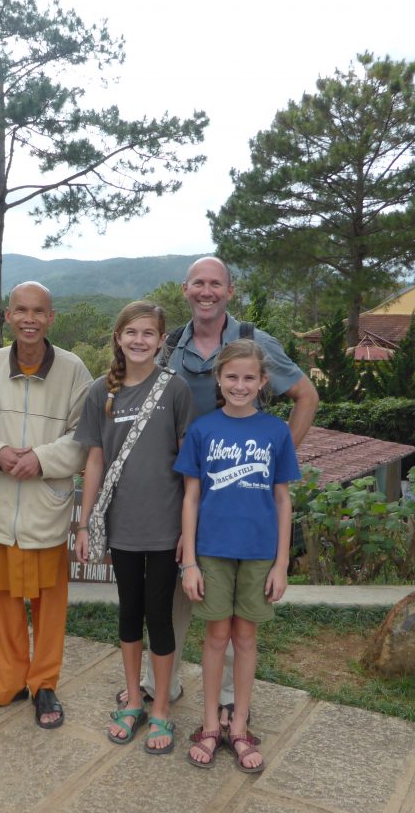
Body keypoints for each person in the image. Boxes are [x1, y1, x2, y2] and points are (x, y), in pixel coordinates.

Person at [130, 256, 319, 733]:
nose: (206, 291)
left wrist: (274, 460)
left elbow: (307, 396)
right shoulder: (169, 346)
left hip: (237, 496)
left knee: (237, 615)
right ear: (185, 289)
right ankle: (161, 684)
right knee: (173, 587)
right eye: (198, 283)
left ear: (230, 291)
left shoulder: (254, 343)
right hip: (179, 489)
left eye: (216, 283)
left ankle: (233, 700)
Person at [0, 281, 92, 729]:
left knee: (49, 603)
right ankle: (7, 682)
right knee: (0, 599)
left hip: (45, 508)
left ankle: (44, 684)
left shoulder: (74, 370)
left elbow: (83, 438)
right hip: (1, 508)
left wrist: (40, 459)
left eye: (39, 311)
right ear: (9, 315)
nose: (30, 319)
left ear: (51, 317)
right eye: (21, 310)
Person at [74, 301, 196, 754]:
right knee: (128, 612)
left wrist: (189, 531)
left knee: (159, 616)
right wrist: (85, 524)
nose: (139, 340)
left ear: (162, 340)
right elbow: (94, 461)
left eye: (148, 333)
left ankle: (160, 706)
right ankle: (132, 699)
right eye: (132, 332)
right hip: (120, 524)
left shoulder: (175, 389)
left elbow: (189, 467)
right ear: (118, 338)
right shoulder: (99, 392)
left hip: (165, 525)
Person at [175, 339, 300, 771]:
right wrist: (189, 561)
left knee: (246, 638)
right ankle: (211, 724)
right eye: (232, 376)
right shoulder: (203, 430)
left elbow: (282, 499)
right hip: (211, 551)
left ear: (263, 381)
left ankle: (240, 725)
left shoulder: (276, 431)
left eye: (249, 378)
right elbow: (191, 498)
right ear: (218, 378)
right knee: (215, 637)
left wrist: (281, 563)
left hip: (259, 554)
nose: (240, 385)